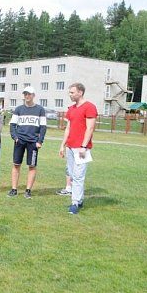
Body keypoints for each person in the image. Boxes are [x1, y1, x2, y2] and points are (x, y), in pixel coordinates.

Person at [59, 83, 98, 214]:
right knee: (71, 174)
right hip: (70, 147)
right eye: (69, 92)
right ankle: (79, 199)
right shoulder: (71, 109)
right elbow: (68, 128)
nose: (70, 95)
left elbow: (90, 128)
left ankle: (74, 203)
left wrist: (83, 146)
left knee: (78, 176)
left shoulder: (89, 107)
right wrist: (62, 145)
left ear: (80, 92)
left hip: (82, 149)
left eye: (72, 92)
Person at [8, 86, 47, 198]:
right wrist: (15, 137)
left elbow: (43, 127)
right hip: (20, 141)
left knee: (32, 165)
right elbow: (12, 125)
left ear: (33, 95)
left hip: (33, 142)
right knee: (16, 164)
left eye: (29, 94)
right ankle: (14, 189)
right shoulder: (19, 109)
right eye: (25, 94)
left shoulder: (40, 109)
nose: (27, 96)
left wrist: (40, 141)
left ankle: (28, 190)